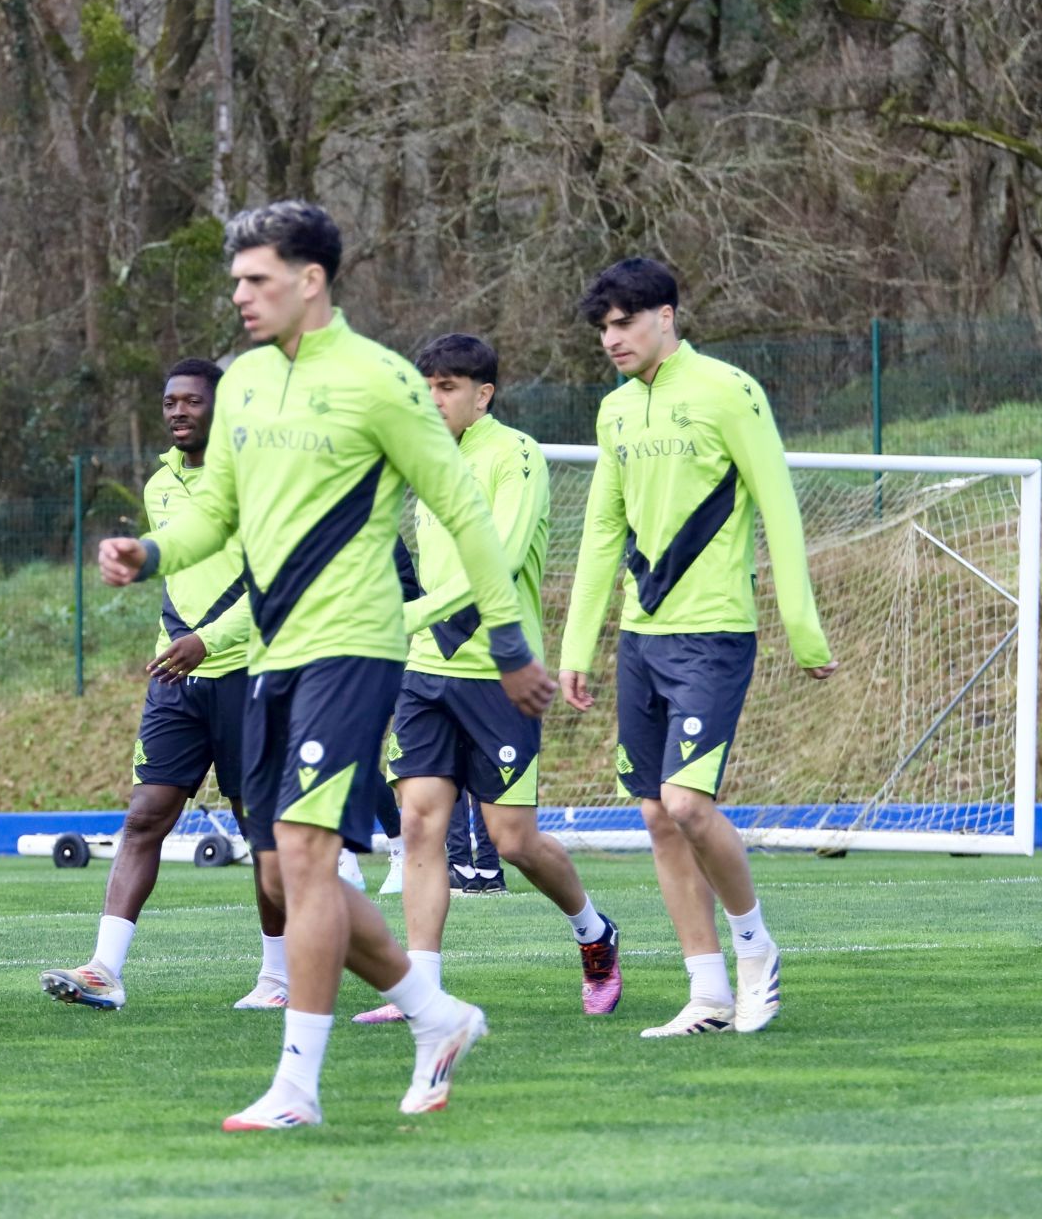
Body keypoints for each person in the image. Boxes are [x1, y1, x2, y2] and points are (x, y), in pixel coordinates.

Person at [98, 201, 558, 1131]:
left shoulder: (382, 382)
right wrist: (150, 553)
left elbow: (466, 514)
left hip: (354, 648)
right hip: (270, 656)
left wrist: (508, 647)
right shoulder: (248, 387)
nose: (241, 297)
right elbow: (214, 516)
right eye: (236, 281)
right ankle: (438, 1016)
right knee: (281, 877)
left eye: (257, 280)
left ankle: (297, 1087)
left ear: (311, 281)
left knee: (307, 859)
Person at [558, 259, 836, 1037]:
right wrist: (579, 645)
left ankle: (755, 949)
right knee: (654, 815)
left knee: (688, 803)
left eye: (624, 323)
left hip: (714, 632)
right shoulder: (614, 413)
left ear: (667, 316)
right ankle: (707, 994)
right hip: (641, 639)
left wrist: (802, 626)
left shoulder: (728, 390)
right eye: (602, 329)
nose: (611, 339)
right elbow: (603, 532)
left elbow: (779, 506)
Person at [355, 334, 621, 1029]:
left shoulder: (517, 454)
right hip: (425, 671)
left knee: (512, 842)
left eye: (447, 387)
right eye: (427, 386)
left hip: (499, 676)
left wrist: (413, 612)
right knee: (418, 828)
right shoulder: (421, 458)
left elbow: (496, 558)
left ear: (484, 394)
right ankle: (422, 993)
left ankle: (594, 932)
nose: (433, 399)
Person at [41, 358, 290, 1012]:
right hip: (175, 678)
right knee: (146, 815)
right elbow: (176, 569)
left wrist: (211, 639)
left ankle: (280, 977)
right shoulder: (158, 486)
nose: (180, 411)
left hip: (248, 674)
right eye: (170, 402)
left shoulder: (258, 479)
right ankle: (105, 970)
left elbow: (275, 585)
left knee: (259, 828)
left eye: (194, 402)